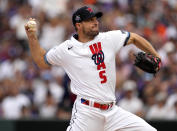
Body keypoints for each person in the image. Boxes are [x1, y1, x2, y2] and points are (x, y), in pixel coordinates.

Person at [25, 6, 160, 131]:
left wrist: (156, 56)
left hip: (112, 112)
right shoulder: (66, 49)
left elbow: (134, 38)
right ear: (78, 25)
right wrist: (32, 38)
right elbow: (42, 61)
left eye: (96, 19)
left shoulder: (108, 38)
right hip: (87, 114)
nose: (95, 22)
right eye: (90, 20)